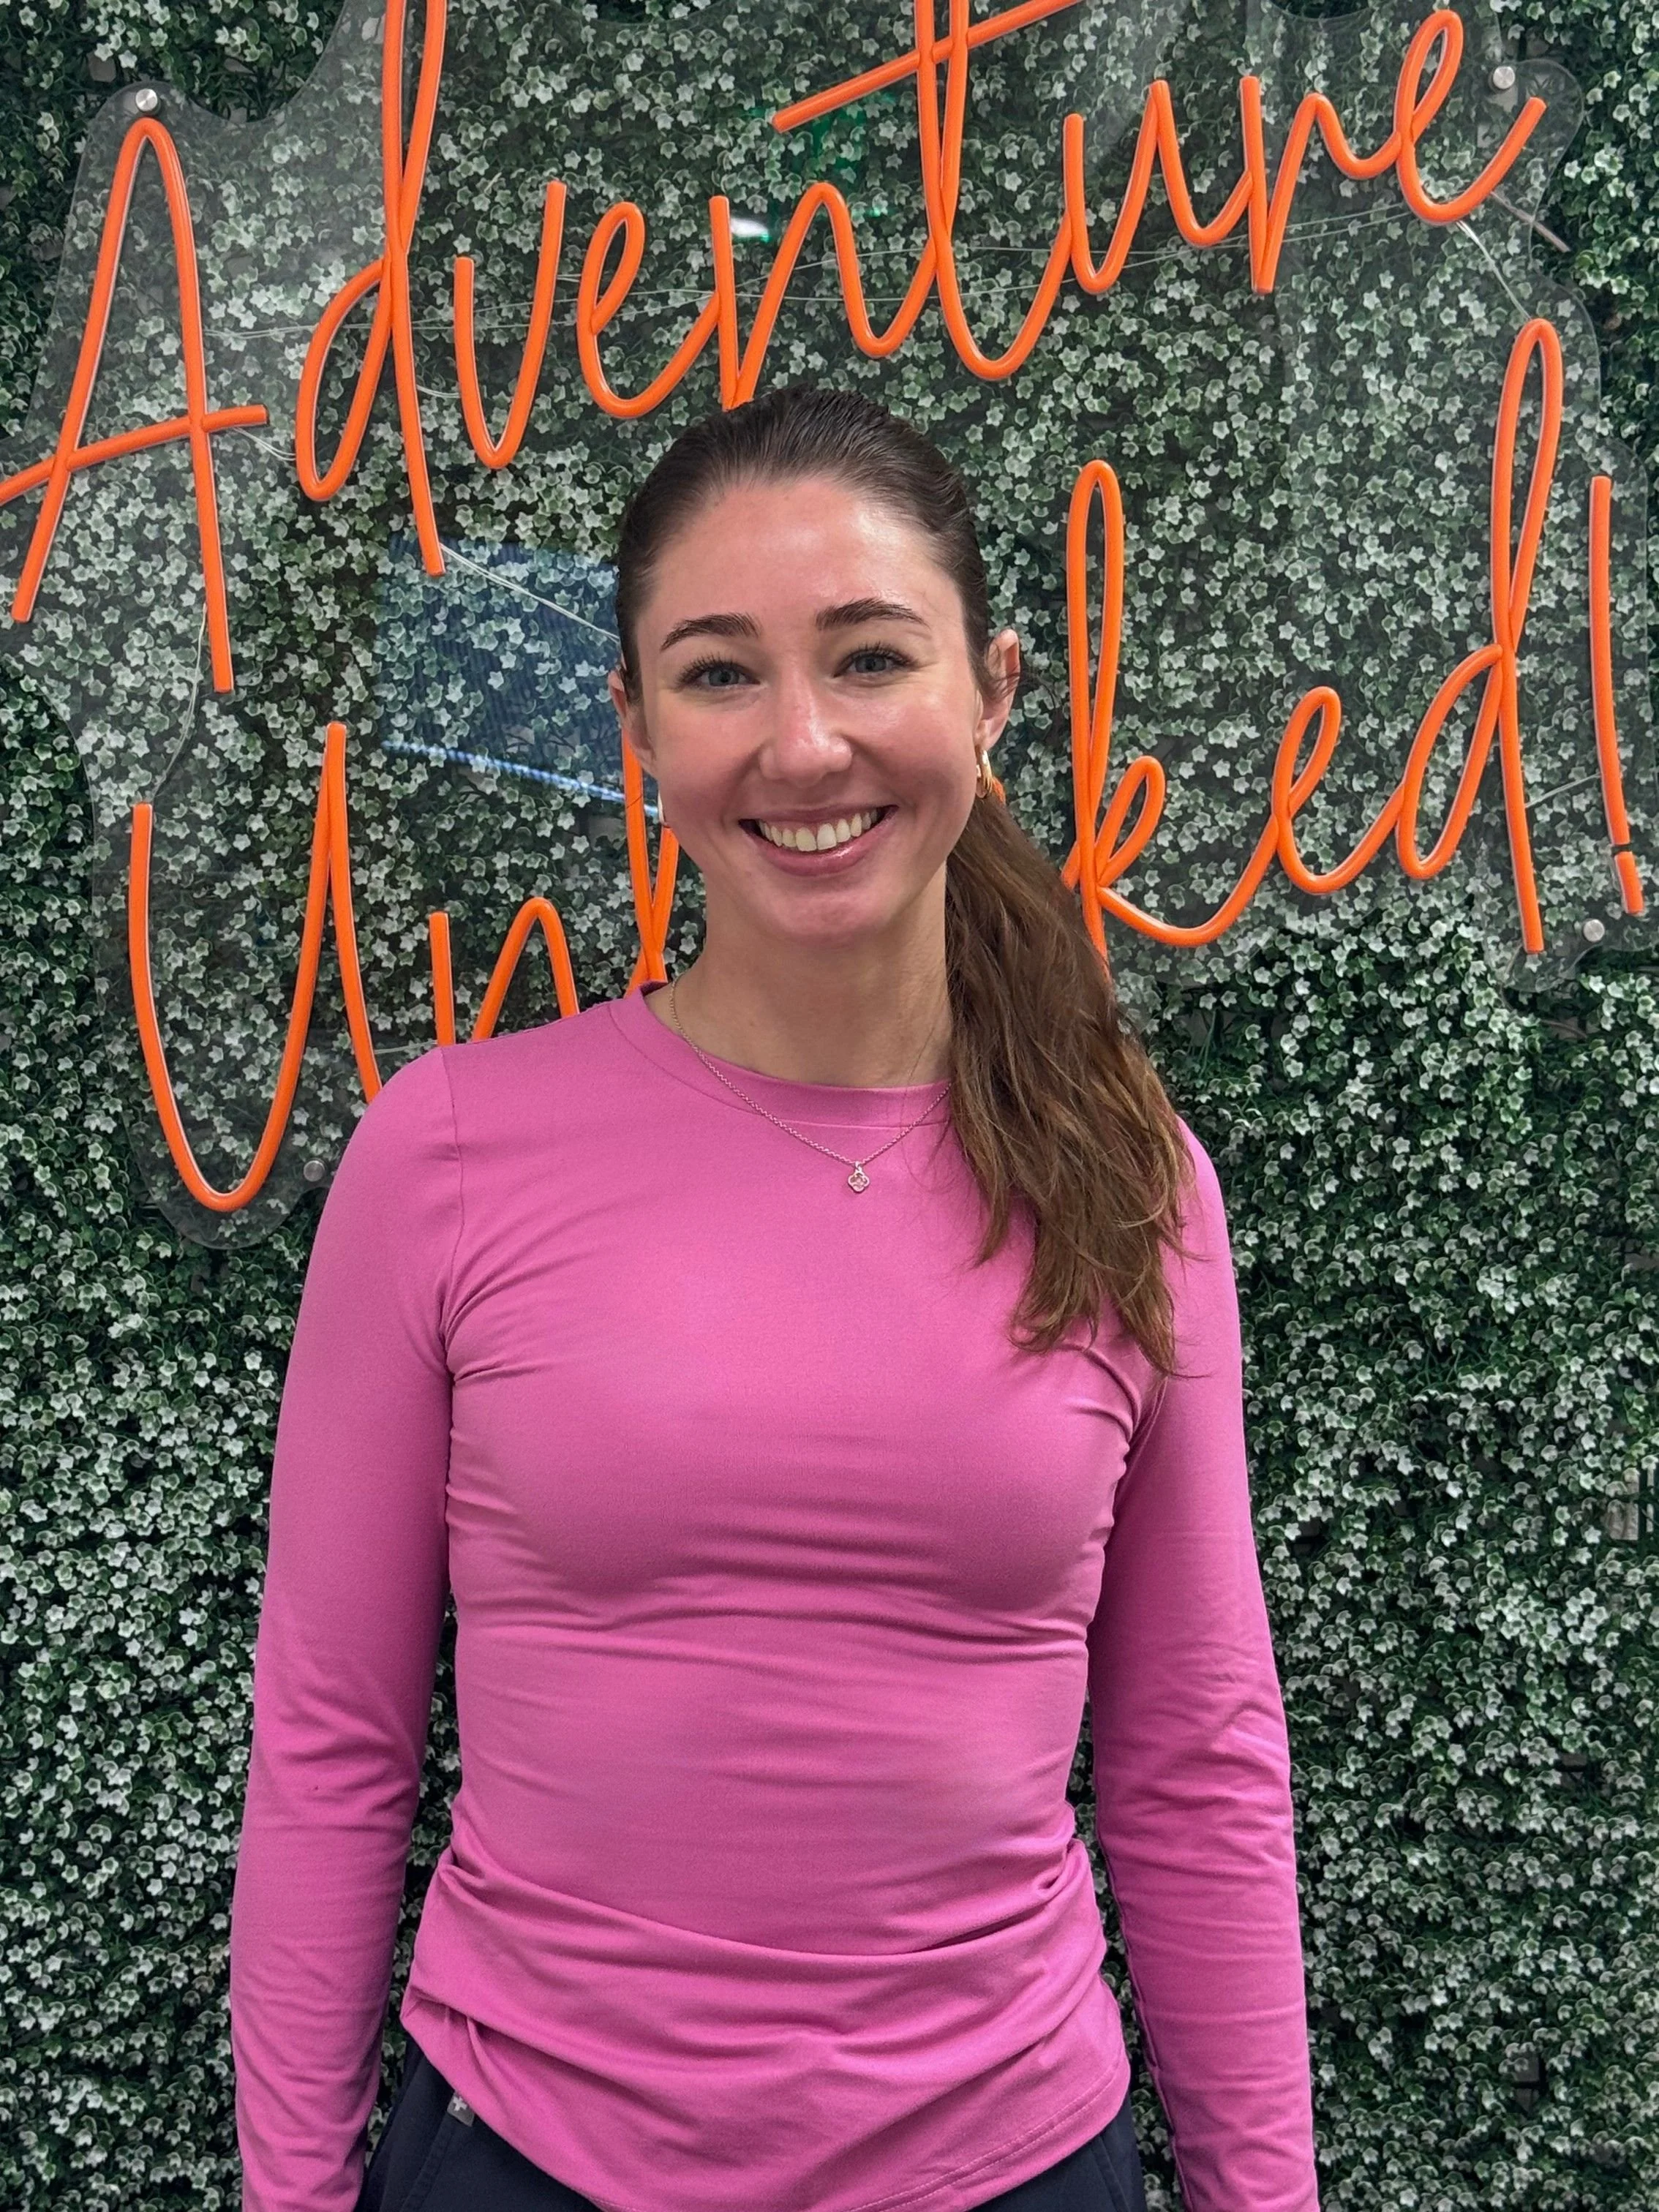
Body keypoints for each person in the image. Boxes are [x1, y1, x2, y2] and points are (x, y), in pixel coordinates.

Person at [229, 385, 1319, 2212]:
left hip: (1015, 2162)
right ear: (637, 728)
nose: (804, 745)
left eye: (871, 656)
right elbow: (334, 1741)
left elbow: (1197, 1754)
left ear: (995, 688)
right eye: (721, 673)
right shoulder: (449, 1157)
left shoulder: (1133, 1183)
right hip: (527, 2161)